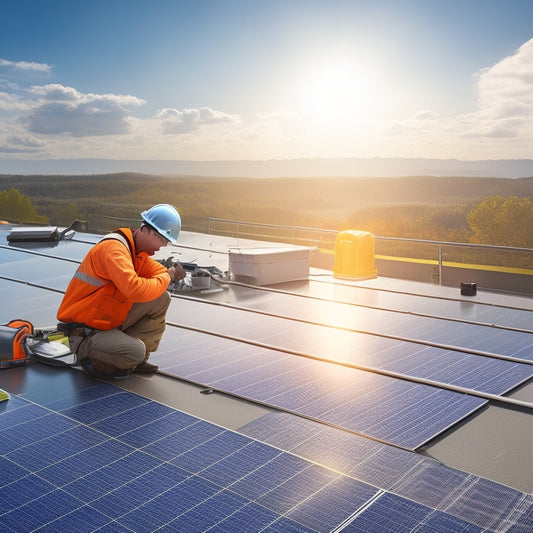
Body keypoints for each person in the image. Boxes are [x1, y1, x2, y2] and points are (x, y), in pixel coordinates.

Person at [57, 204, 186, 379]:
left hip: (108, 322)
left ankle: (135, 361)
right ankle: (92, 356)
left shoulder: (136, 253)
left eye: (165, 241)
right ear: (146, 230)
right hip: (85, 332)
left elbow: (159, 272)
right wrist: (168, 277)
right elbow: (135, 289)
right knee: (136, 350)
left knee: (162, 297)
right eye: (161, 239)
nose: (162, 246)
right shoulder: (114, 250)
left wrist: (166, 274)